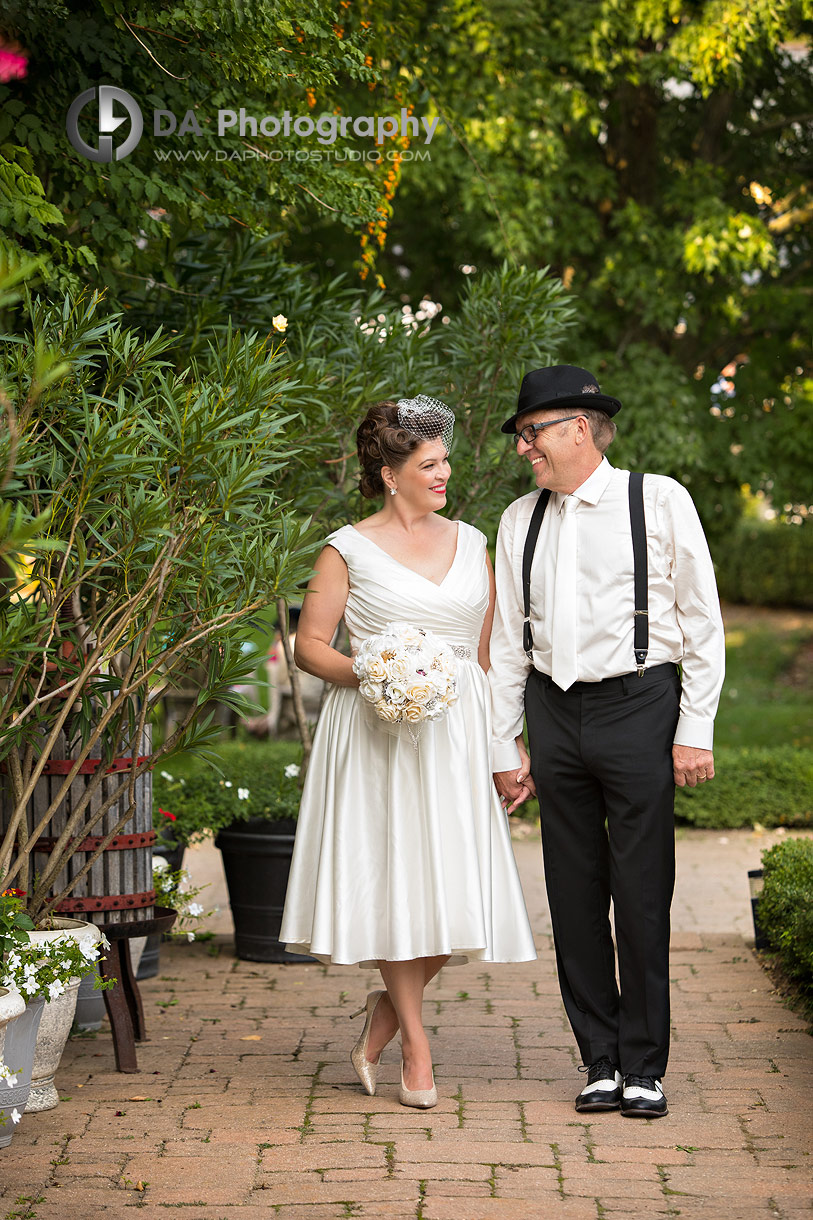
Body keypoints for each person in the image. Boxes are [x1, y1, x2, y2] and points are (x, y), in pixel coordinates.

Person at [280, 395, 536, 1110]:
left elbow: (485, 656)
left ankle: (386, 1010)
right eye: (429, 463)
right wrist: (374, 673)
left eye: (444, 459)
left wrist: (503, 749)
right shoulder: (345, 548)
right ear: (390, 474)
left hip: (454, 733)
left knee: (456, 890)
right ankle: (416, 1048)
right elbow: (309, 646)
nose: (444, 472)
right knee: (400, 888)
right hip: (375, 735)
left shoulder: (472, 540)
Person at [489, 365, 725, 1119]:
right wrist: (504, 745)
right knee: (572, 889)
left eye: (533, 433)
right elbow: (506, 645)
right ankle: (598, 1057)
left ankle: (643, 1065)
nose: (524, 447)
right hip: (554, 712)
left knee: (642, 893)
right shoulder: (517, 519)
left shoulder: (656, 499)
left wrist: (694, 727)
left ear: (578, 429)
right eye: (523, 435)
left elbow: (702, 621)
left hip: (639, 706)